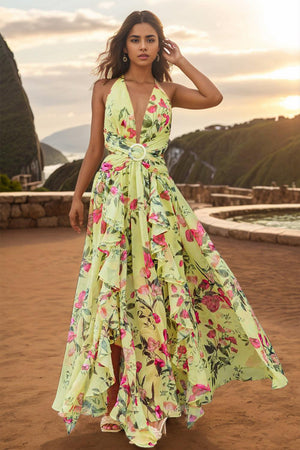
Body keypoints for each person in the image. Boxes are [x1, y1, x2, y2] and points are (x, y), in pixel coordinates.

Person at [51, 10, 288, 448]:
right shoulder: (104, 89)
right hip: (115, 198)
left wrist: (182, 62)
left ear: (160, 46)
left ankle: (158, 397)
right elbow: (94, 148)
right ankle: (115, 402)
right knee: (115, 296)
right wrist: (76, 195)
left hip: (158, 200)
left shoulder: (169, 89)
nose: (144, 46)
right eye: (136, 39)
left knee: (159, 292)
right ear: (123, 45)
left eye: (152, 40)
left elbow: (214, 97)